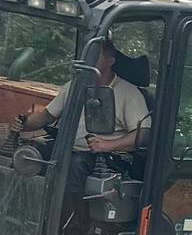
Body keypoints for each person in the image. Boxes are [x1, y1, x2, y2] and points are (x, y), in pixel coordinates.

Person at [15, 36, 149, 155]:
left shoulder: (129, 93)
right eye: (87, 55)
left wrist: (108, 145)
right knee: (27, 154)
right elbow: (47, 116)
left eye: (95, 55)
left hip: (105, 157)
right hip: (66, 149)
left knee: (76, 164)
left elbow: (142, 134)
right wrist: (24, 123)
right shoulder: (74, 86)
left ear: (110, 61)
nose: (88, 60)